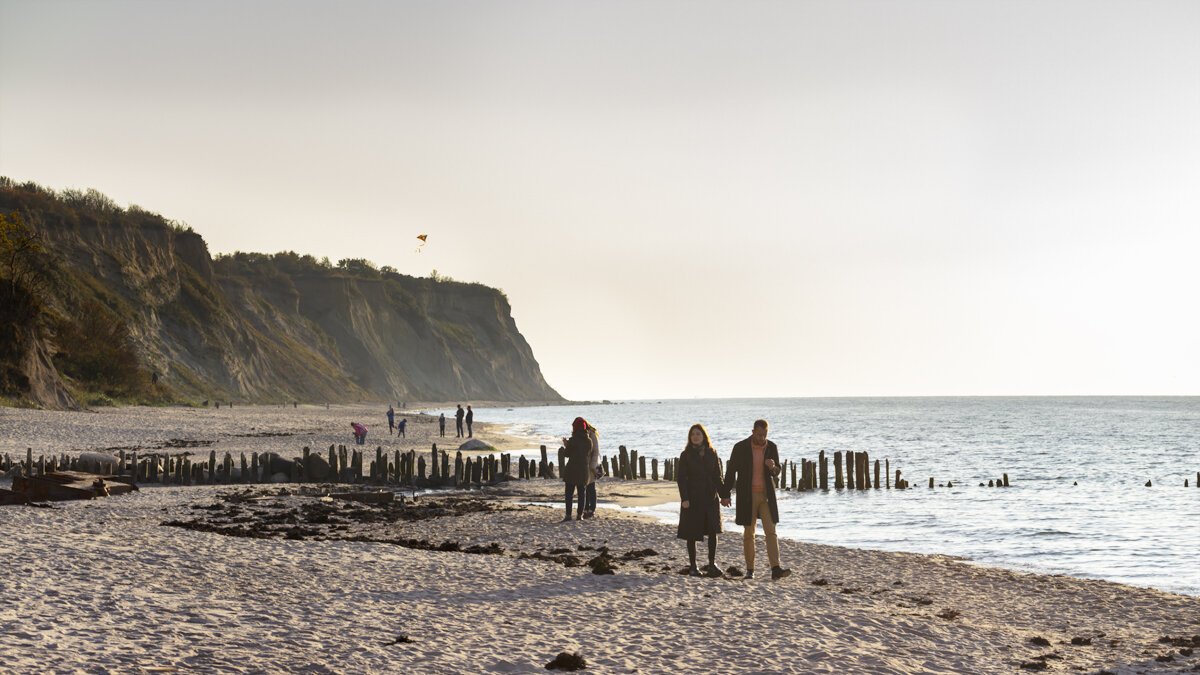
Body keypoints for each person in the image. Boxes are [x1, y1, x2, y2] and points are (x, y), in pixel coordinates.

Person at [723, 419, 791, 580]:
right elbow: (731, 471)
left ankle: (775, 568)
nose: (761, 438)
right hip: (747, 496)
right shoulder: (740, 448)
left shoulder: (772, 447)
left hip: (767, 495)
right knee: (749, 532)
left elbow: (777, 472)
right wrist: (725, 494)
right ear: (753, 431)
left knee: (771, 531)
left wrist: (772, 467)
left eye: (764, 435)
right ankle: (750, 570)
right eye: (759, 434)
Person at [678, 424, 730, 576]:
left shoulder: (712, 453)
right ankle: (693, 566)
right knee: (692, 533)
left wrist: (724, 495)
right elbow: (681, 479)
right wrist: (684, 498)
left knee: (713, 531)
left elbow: (718, 477)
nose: (695, 436)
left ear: (704, 436)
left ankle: (712, 563)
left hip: (710, 497)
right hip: (693, 499)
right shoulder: (685, 455)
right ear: (690, 437)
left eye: (698, 434)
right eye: (693, 434)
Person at [559, 417, 593, 522]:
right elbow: (588, 453)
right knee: (581, 494)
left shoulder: (572, 441)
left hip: (572, 469)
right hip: (583, 469)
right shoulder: (589, 441)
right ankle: (579, 515)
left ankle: (568, 515)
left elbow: (566, 454)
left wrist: (566, 444)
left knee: (569, 494)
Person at [583, 421, 600, 518]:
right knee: (585, 488)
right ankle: (586, 509)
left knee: (591, 488)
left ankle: (591, 510)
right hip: (584, 465)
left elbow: (596, 451)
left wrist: (593, 466)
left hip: (591, 465)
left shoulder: (592, 434)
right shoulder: (581, 434)